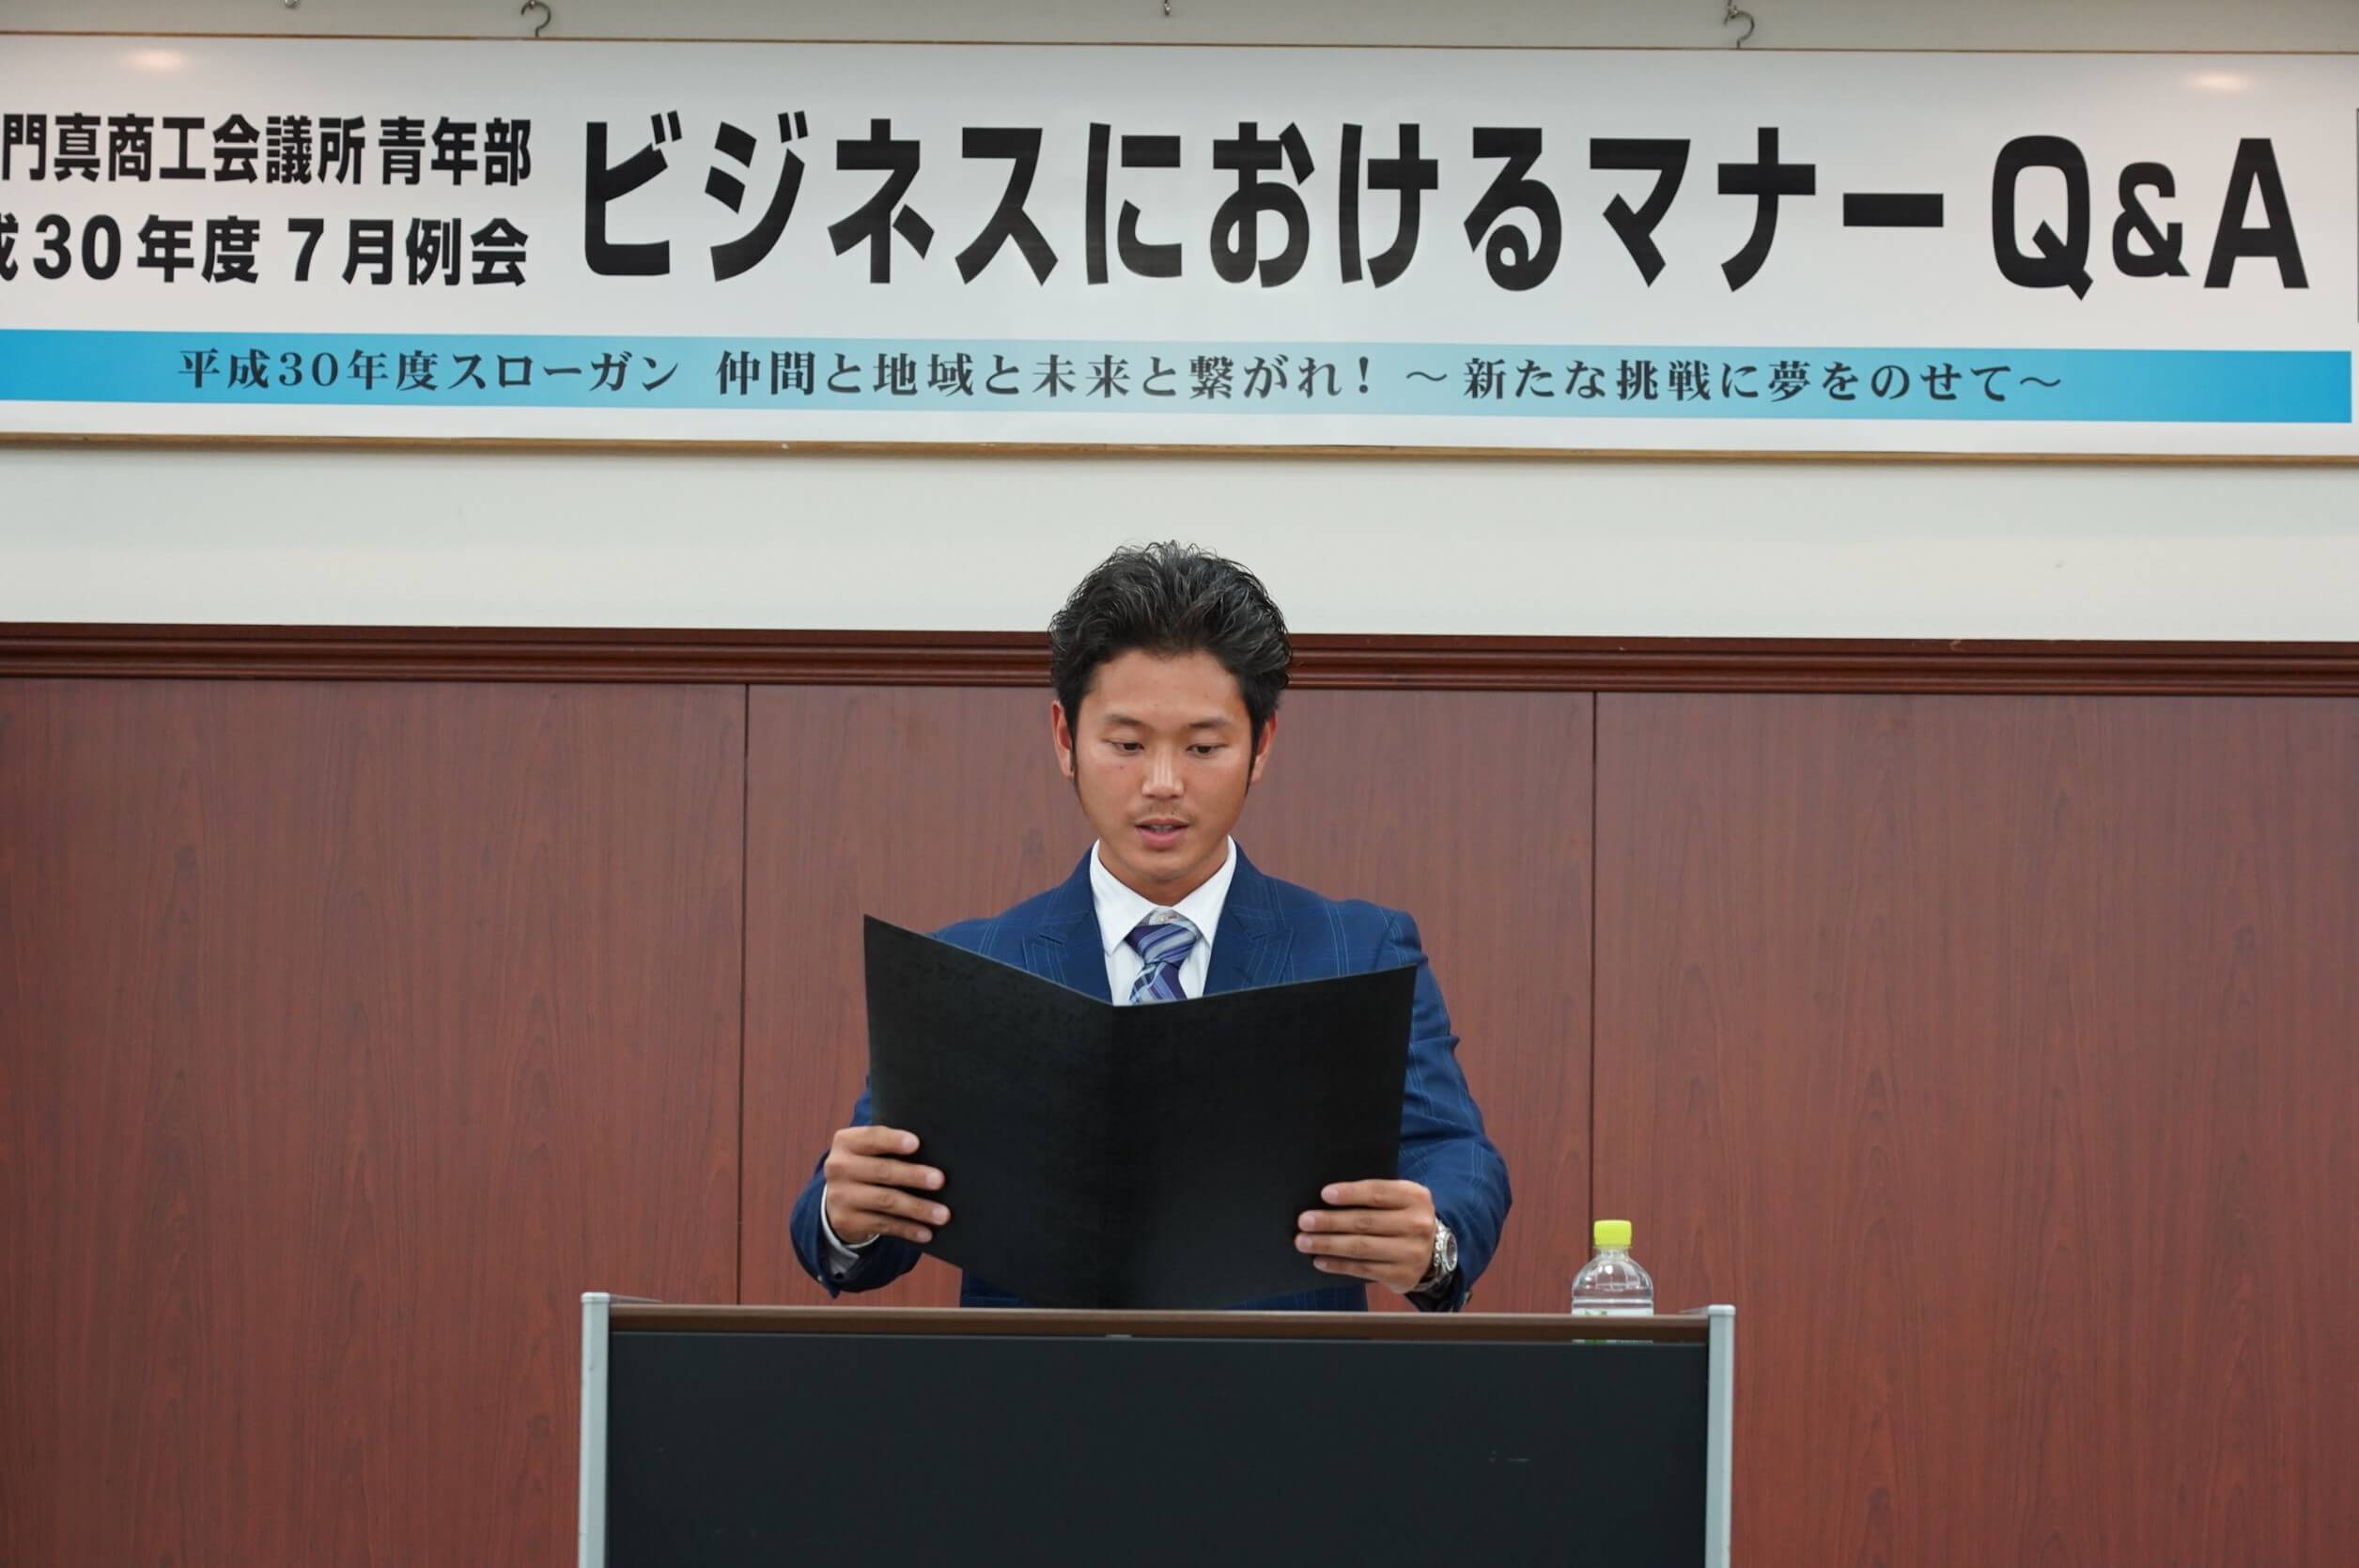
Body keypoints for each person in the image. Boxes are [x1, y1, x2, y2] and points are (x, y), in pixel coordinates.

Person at [788, 542, 1511, 1310]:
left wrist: (1432, 1244)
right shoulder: (969, 966)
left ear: (1260, 745)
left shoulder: (1358, 950)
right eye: (1126, 745)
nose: (1162, 783)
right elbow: (862, 1213)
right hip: (1035, 1384)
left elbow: (1454, 1153)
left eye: (1203, 747)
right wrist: (845, 1213)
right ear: (1065, 738)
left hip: (1282, 1381)